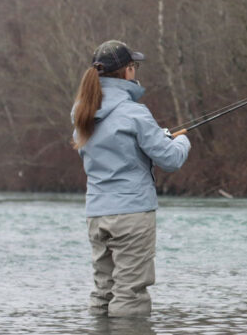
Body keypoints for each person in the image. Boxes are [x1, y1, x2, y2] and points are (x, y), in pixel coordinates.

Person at [71, 40, 191, 317]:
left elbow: (97, 152)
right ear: (126, 71)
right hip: (132, 214)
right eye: (134, 66)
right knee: (130, 293)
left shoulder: (81, 113)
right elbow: (170, 159)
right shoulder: (135, 113)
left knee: (103, 290)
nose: (136, 71)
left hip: (96, 214)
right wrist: (182, 140)